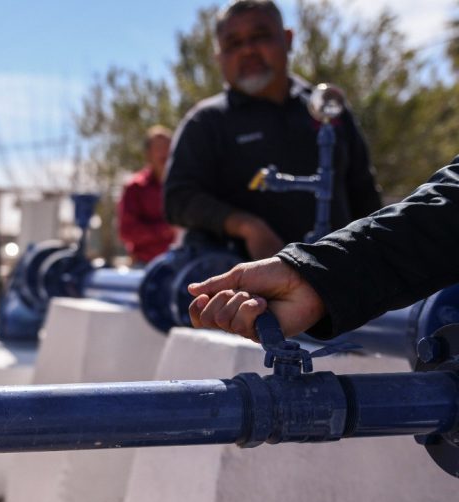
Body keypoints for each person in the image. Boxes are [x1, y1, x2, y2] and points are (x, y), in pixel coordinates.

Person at [163, 0, 382, 260]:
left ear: (288, 39)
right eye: (233, 44)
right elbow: (177, 199)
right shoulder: (205, 122)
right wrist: (246, 226)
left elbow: (364, 195)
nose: (248, 50)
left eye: (260, 36)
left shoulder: (327, 108)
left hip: (338, 274)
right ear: (219, 57)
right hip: (246, 281)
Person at [187, 156, 459, 341]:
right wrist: (314, 277)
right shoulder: (208, 120)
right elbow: (447, 210)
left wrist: (316, 272)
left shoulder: (332, 114)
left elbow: (363, 191)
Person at [118, 125, 181, 265]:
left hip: (182, 264)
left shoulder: (184, 185)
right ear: (148, 154)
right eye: (158, 148)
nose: (164, 153)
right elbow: (127, 231)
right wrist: (165, 229)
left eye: (168, 147)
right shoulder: (135, 187)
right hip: (145, 265)